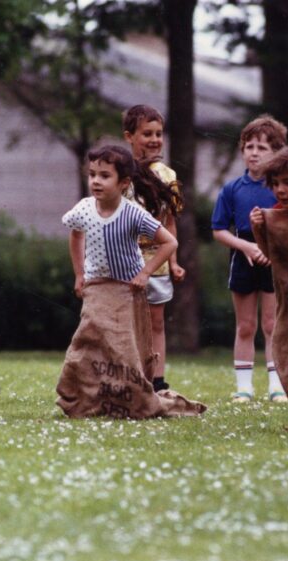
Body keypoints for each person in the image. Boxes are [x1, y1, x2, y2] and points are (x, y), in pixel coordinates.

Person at [211, 114, 288, 403]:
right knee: (245, 326)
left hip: (275, 260)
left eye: (262, 147)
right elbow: (219, 230)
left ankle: (277, 385)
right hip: (242, 259)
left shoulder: (281, 187)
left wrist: (270, 250)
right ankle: (244, 388)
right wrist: (245, 247)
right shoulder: (232, 189)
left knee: (272, 324)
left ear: (276, 152)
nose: (254, 153)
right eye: (249, 146)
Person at [122, 104, 185, 392]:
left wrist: (173, 263)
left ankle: (157, 379)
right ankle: (129, 375)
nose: (154, 139)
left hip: (157, 258)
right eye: (146, 133)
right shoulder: (119, 172)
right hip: (124, 257)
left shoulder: (167, 176)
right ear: (129, 136)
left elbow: (170, 223)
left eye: (159, 133)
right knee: (127, 322)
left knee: (156, 321)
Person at [63, 144, 177, 301]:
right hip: (95, 287)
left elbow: (170, 243)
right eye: (92, 174)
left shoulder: (134, 213)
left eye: (104, 176)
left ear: (124, 182)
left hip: (129, 290)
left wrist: (145, 273)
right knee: (92, 326)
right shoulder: (83, 209)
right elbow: (76, 235)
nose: (95, 181)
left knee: (127, 327)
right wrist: (79, 274)